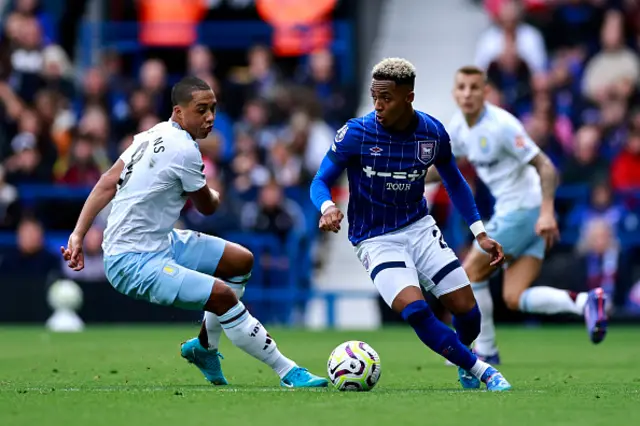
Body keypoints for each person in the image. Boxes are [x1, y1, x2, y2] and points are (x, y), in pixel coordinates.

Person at [61, 76, 327, 388]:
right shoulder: (184, 151)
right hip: (131, 260)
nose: (210, 117)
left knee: (240, 262)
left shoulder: (152, 133)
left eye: (213, 109)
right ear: (178, 111)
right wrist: (215, 192)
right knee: (222, 295)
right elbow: (208, 207)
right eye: (201, 110)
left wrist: (78, 233)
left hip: (159, 240)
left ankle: (204, 347)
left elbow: (108, 180)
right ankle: (288, 371)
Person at [310, 58, 511, 391]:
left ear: (408, 97)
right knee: (416, 311)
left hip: (419, 228)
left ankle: (463, 359)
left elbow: (456, 183)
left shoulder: (431, 134)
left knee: (469, 314)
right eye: (374, 97)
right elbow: (319, 180)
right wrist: (328, 206)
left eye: (386, 98)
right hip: (375, 238)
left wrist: (480, 233)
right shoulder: (356, 133)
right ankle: (482, 370)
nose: (378, 105)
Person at [429, 66, 607, 364]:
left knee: (470, 273)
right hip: (524, 214)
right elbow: (445, 168)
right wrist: (408, 177)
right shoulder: (458, 127)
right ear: (454, 93)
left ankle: (485, 349)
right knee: (515, 296)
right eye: (462, 88)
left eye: (475, 88)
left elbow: (546, 167)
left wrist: (548, 212)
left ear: (486, 92)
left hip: (523, 211)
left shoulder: (502, 125)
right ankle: (586, 302)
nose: (468, 94)